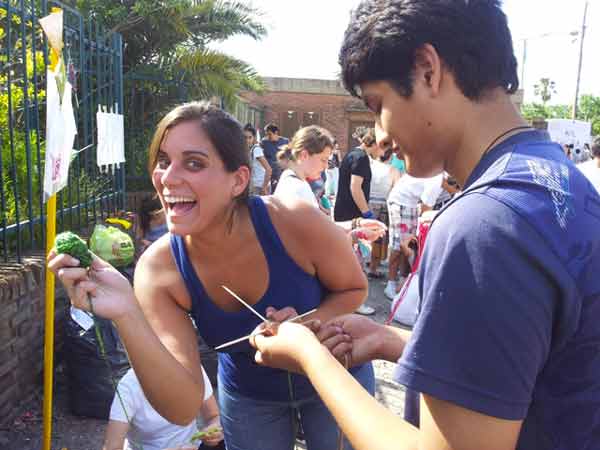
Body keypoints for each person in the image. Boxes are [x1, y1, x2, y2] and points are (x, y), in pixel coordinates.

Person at [248, 1, 600, 449]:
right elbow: (528, 366)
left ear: (427, 70)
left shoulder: (483, 225)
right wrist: (388, 338)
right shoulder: (558, 180)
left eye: (378, 105)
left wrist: (311, 357)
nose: (380, 135)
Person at [49, 102, 375, 450]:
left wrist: (306, 326)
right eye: (163, 161)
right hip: (251, 396)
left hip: (335, 373)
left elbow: (354, 289)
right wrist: (126, 313)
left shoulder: (294, 220)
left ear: (238, 180)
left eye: (194, 163)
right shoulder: (160, 269)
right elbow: (181, 408)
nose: (168, 177)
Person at [103, 366, 223, 450]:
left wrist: (214, 431)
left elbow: (214, 416)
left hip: (194, 446)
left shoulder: (192, 367)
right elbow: (112, 447)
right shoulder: (129, 387)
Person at [384, 172, 443, 299]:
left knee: (408, 244)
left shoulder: (441, 178)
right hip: (400, 202)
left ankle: (402, 280)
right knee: (398, 244)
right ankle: (391, 283)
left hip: (411, 203)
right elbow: (426, 210)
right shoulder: (437, 180)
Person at [274, 126, 332, 209]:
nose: (326, 166)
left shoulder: (290, 178)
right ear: (304, 155)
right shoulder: (298, 188)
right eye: (323, 160)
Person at [333, 128, 379, 222]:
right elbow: (355, 187)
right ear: (374, 144)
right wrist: (366, 212)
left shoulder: (352, 154)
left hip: (343, 210)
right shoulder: (361, 158)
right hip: (352, 214)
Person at [244, 123, 271, 195]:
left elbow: (269, 169)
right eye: (245, 137)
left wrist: (264, 187)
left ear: (254, 138)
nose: (247, 140)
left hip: (260, 186)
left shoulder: (256, 150)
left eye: (250, 137)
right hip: (254, 186)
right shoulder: (248, 150)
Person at [260, 123, 289, 189]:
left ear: (276, 132)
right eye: (266, 135)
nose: (268, 137)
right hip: (268, 175)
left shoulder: (285, 142)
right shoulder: (264, 142)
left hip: (280, 174)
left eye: (269, 134)